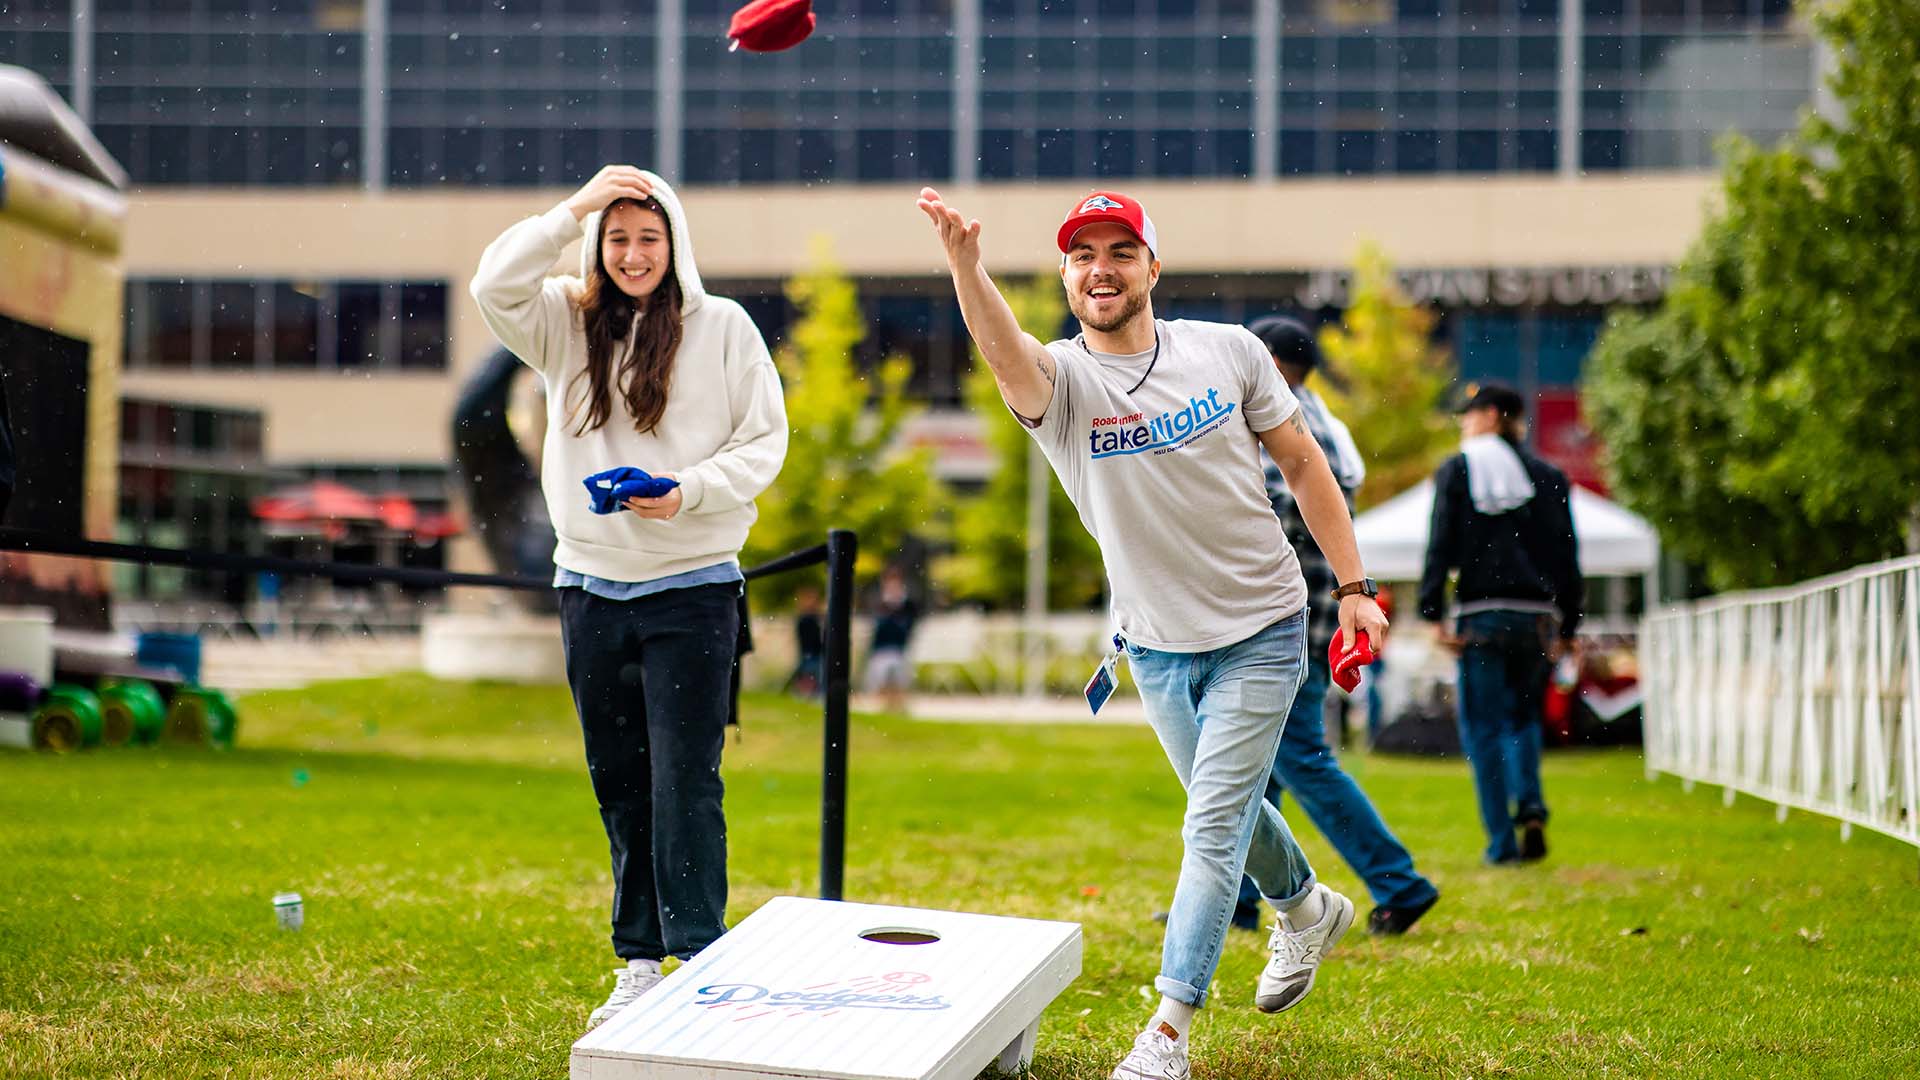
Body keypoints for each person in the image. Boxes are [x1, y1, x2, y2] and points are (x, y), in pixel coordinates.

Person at [917, 186, 1389, 1080]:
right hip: (1157, 643)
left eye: (1120, 251)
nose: (1102, 269)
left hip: (1265, 624)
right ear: (1065, 274)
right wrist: (965, 265)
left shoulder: (1230, 353)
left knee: (1210, 827)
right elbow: (998, 346)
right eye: (1083, 255)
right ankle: (1307, 908)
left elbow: (1301, 459)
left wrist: (1355, 587)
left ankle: (1166, 1033)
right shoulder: (1059, 386)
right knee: (1230, 817)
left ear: (1152, 267)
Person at [470, 165, 789, 1030]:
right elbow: (491, 281)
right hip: (591, 589)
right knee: (619, 782)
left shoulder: (723, 328)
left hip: (693, 591)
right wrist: (571, 207)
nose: (634, 253)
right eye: (616, 238)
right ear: (596, 247)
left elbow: (764, 443)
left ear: (674, 243)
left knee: (686, 779)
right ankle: (640, 963)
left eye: (649, 237)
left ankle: (699, 955)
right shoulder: (563, 326)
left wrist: (683, 489)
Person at [1233, 315, 1439, 937]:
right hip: (1315, 621)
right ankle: (1236, 898)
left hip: (1283, 627)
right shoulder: (1323, 419)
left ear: (1264, 361)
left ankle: (1398, 882)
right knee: (1253, 773)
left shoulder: (1277, 424)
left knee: (1301, 760)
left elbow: (1265, 509)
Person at [1417, 381, 1580, 865]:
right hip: (1536, 618)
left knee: (1483, 729)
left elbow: (1439, 542)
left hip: (1480, 615)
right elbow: (1567, 555)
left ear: (1490, 415)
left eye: (1469, 415)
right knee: (1524, 718)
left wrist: (1431, 610)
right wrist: (1569, 625)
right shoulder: (1548, 475)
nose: (1464, 424)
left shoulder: (1459, 470)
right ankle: (1530, 804)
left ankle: (1501, 843)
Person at [863, 566, 918, 713]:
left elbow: (907, 629)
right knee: (882, 670)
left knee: (898, 669)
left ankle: (897, 702)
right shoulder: (879, 603)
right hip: (881, 649)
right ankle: (887, 702)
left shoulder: (907, 605)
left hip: (899, 649)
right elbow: (878, 630)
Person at [788, 583, 825, 699]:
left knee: (811, 677)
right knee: (811, 677)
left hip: (810, 654)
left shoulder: (807, 618)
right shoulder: (807, 619)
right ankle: (809, 695)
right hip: (811, 654)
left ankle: (808, 695)